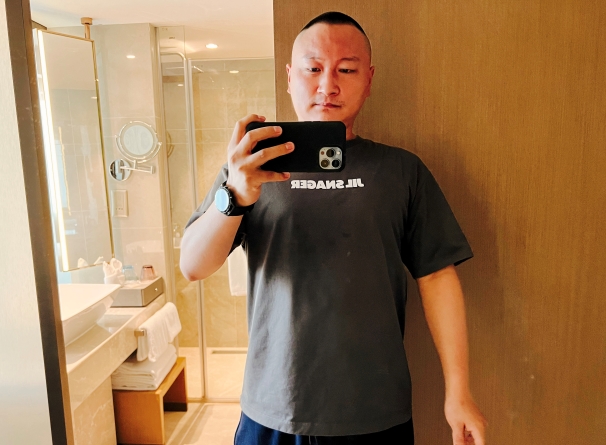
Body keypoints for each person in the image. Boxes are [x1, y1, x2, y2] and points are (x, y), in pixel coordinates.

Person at [180, 11, 487, 445]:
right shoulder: (250, 166)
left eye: (346, 70)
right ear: (290, 77)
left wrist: (458, 392)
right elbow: (192, 266)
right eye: (313, 69)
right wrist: (234, 194)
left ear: (369, 79)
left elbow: (437, 276)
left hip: (374, 412)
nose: (328, 86)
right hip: (273, 409)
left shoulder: (401, 170)